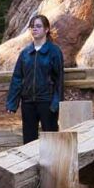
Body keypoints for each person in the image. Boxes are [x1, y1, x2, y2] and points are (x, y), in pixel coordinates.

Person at [6, 14, 64, 143]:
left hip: (47, 102)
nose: (34, 29)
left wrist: (56, 102)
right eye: (32, 27)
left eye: (38, 26)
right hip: (28, 102)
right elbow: (17, 78)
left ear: (46, 29)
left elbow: (59, 80)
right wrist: (12, 103)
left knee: (51, 140)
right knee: (29, 140)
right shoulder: (25, 53)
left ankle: (51, 164)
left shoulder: (54, 52)